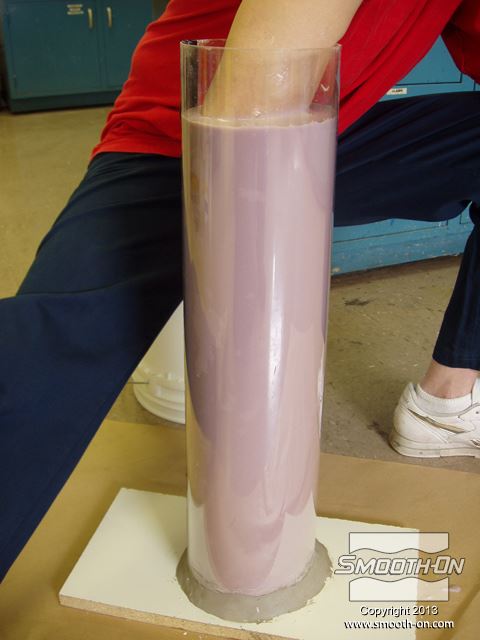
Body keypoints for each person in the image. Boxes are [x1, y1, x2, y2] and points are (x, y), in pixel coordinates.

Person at [0, 0, 479, 581]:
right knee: (56, 346)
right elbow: (250, 101)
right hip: (177, 131)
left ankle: (445, 402)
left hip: (332, 125)